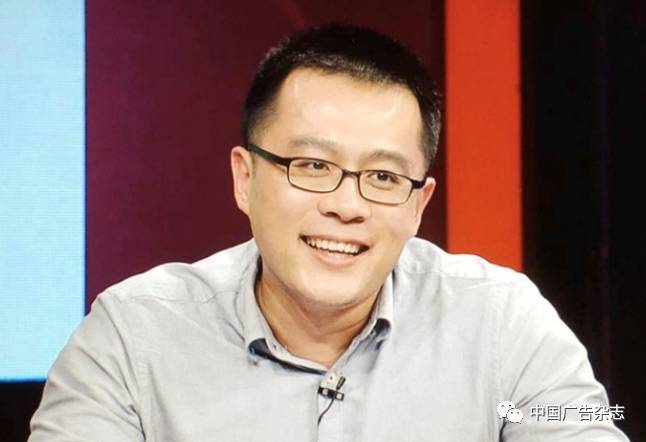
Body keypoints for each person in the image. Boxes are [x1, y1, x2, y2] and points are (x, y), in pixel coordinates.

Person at [29, 24, 629, 441]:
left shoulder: (504, 322)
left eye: (383, 176)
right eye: (313, 166)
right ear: (245, 179)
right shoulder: (131, 337)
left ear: (419, 205)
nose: (347, 205)